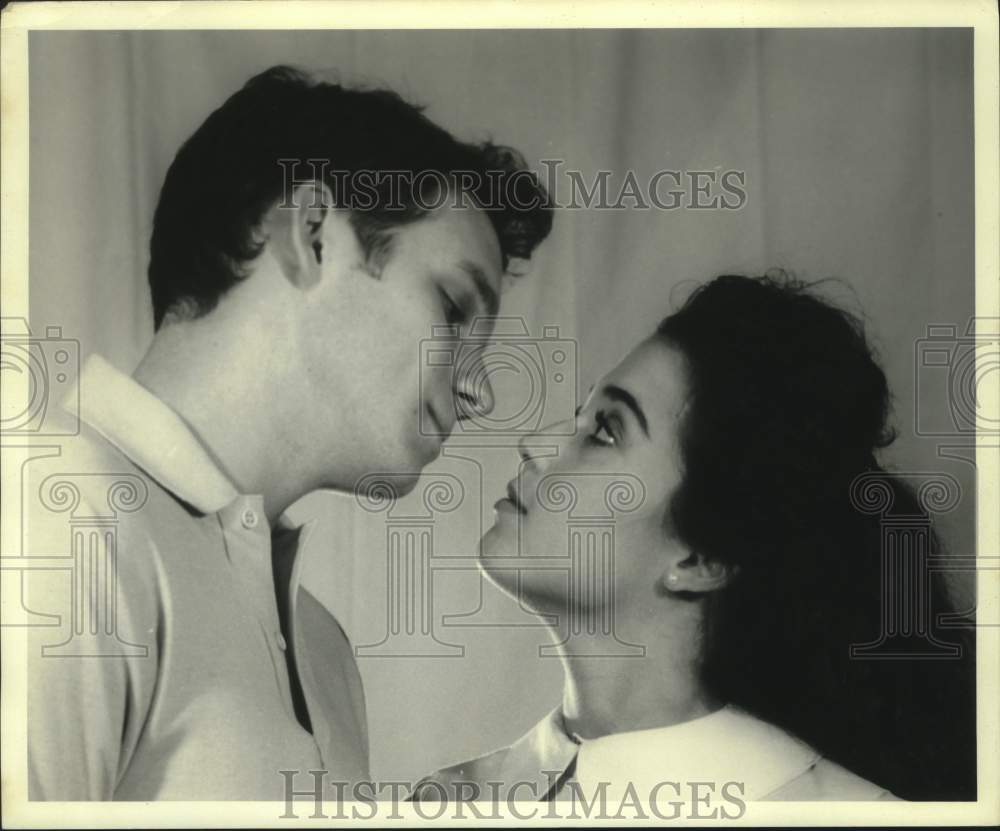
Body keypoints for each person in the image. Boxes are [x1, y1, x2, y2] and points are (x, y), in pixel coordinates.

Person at [25, 65, 552, 800]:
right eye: (455, 308)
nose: (478, 385)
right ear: (310, 234)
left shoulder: (326, 650)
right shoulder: (53, 522)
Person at [415, 274, 976, 804]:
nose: (535, 443)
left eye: (605, 431)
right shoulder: (449, 801)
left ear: (702, 558)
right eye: (579, 415)